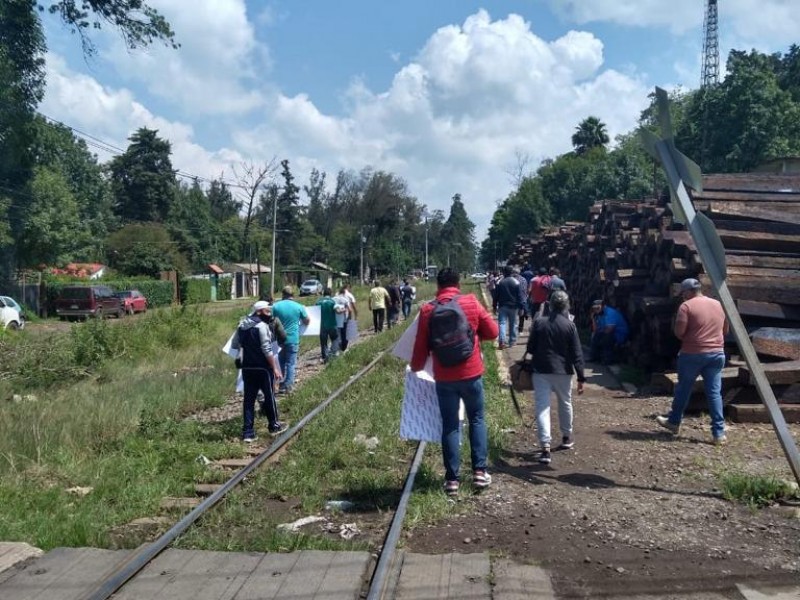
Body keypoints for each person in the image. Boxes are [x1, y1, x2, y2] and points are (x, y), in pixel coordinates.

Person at [410, 267, 499, 496]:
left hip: (444, 378)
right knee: (477, 418)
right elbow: (493, 331)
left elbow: (421, 347)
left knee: (450, 425)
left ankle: (452, 481)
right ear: (458, 284)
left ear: (438, 286)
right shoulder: (470, 302)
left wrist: (416, 368)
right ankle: (479, 472)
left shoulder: (428, 310)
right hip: (471, 374)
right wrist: (476, 335)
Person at [656, 278, 729, 445]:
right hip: (717, 354)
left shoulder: (686, 306)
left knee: (683, 389)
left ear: (688, 292)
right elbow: (725, 330)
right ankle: (718, 433)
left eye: (683, 293)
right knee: (714, 393)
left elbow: (679, 333)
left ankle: (674, 422)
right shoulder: (717, 304)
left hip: (692, 354)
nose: (683, 297)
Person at [525, 290, 586, 465]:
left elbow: (530, 348)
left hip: (541, 370)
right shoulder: (569, 325)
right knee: (565, 402)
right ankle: (566, 436)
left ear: (550, 304)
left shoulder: (539, 323)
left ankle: (545, 447)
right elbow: (577, 354)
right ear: (566, 305)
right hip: (563, 371)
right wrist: (581, 377)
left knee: (542, 407)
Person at [230, 301, 287, 441]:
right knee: (269, 396)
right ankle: (274, 426)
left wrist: (241, 359)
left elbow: (235, 345)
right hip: (263, 368)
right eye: (267, 311)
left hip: (247, 368)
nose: (270, 314)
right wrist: (274, 368)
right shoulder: (262, 326)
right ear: (259, 312)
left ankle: (248, 432)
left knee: (248, 400)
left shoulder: (242, 325)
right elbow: (267, 350)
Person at [271, 286, 310, 394]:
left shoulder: (275, 306)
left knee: (281, 362)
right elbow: (307, 321)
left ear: (283, 295)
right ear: (293, 295)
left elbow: (270, 321)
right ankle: (288, 386)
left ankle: (281, 384)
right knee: (291, 363)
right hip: (293, 339)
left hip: (279, 339)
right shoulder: (299, 307)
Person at [493, 265, 525, 349]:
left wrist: (494, 306)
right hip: (514, 307)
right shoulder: (516, 282)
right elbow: (520, 296)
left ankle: (502, 341)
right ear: (511, 272)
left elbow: (496, 296)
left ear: (504, 272)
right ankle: (512, 342)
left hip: (502, 306)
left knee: (502, 323)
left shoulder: (500, 282)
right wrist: (522, 307)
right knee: (513, 324)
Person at [589, 299, 630, 365]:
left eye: (597, 308)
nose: (596, 310)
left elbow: (609, 329)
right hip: (607, 331)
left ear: (603, 306)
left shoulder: (610, 313)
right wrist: (593, 319)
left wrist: (600, 332)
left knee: (606, 338)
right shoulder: (599, 314)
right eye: (594, 309)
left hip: (618, 334)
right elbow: (595, 329)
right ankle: (594, 357)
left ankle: (607, 360)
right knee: (595, 336)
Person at [316, 287, 339, 363]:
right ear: (330, 293)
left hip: (322, 325)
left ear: (323, 293)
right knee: (335, 339)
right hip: (332, 324)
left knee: (323, 342)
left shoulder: (318, 302)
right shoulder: (332, 301)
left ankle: (325, 357)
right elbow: (337, 311)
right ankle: (333, 354)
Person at [333, 287, 352, 352]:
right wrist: (349, 317)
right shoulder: (345, 300)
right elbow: (350, 310)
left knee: (337, 334)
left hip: (335, 320)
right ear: (343, 293)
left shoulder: (333, 299)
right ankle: (344, 348)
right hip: (344, 319)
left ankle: (337, 347)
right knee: (344, 333)